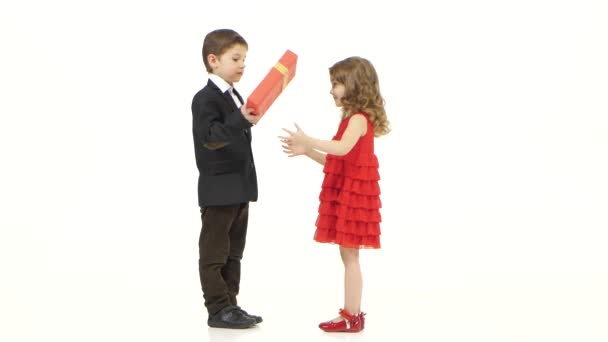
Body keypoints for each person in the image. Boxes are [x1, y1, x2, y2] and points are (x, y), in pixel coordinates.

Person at [279, 56, 390, 332]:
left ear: (353, 85)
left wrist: (309, 140)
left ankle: (352, 316)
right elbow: (337, 161)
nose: (331, 90)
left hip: (355, 195)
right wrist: (307, 151)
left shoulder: (358, 120)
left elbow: (340, 149)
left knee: (350, 258)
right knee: (348, 257)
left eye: (336, 84)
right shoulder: (351, 119)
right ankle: (351, 315)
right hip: (348, 190)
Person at [191, 28, 262, 329]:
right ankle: (217, 308)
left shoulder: (234, 96)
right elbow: (209, 137)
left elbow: (233, 134)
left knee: (234, 251)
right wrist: (239, 119)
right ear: (213, 60)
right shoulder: (205, 98)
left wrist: (243, 118)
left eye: (244, 58)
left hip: (238, 189)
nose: (242, 64)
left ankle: (231, 305)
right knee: (214, 252)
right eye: (236, 58)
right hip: (218, 189)